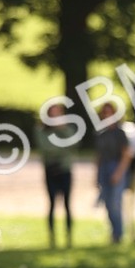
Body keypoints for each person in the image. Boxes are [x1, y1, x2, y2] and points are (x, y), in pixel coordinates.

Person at [34, 102, 81, 247]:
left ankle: (69, 237)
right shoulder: (41, 130)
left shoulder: (68, 129)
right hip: (50, 170)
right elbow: (46, 148)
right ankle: (52, 237)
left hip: (65, 170)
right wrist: (62, 147)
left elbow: (74, 144)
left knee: (67, 204)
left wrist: (63, 129)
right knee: (52, 204)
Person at [95, 101, 132, 242]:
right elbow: (98, 156)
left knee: (116, 203)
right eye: (105, 113)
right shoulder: (100, 133)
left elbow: (126, 155)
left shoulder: (119, 133)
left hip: (116, 167)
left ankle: (119, 234)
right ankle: (114, 232)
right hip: (104, 167)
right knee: (108, 204)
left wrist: (118, 173)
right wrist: (97, 174)